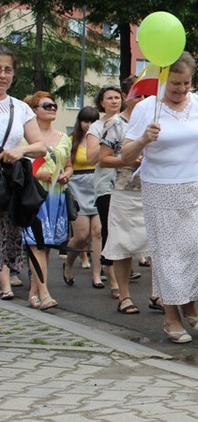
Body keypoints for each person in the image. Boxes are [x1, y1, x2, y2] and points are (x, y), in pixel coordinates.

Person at [122, 52, 198, 343]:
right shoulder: (146, 109)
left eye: (187, 83)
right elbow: (125, 155)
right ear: (163, 78)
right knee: (168, 255)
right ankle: (171, 317)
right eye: (176, 83)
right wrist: (143, 140)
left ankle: (189, 303)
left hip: (196, 185)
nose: (181, 89)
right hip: (160, 188)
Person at [0, 46, 46, 301]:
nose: (3, 75)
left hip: (8, 187)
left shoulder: (20, 108)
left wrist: (21, 150)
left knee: (8, 238)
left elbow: (41, 147)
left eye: (8, 69)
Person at [22, 92, 73, 310]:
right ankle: (44, 292)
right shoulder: (26, 138)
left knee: (47, 246)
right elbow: (19, 167)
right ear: (34, 110)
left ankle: (33, 293)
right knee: (36, 243)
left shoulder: (63, 137)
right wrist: (36, 175)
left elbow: (69, 164)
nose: (52, 108)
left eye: (54, 105)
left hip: (56, 196)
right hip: (34, 195)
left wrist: (67, 174)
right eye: (46, 105)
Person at [99, 90, 149, 314]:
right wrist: (127, 159)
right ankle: (125, 296)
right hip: (125, 190)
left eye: (146, 97)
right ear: (127, 98)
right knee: (123, 245)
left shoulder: (156, 122)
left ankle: (158, 295)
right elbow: (103, 158)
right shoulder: (116, 124)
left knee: (158, 245)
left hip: (153, 189)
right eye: (138, 96)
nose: (142, 101)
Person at [87, 84, 126, 299]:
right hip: (106, 185)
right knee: (110, 232)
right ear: (101, 102)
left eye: (117, 97)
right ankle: (112, 280)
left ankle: (124, 276)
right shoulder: (96, 127)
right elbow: (93, 157)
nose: (114, 101)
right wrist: (107, 131)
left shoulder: (128, 122)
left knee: (126, 232)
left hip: (129, 185)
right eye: (109, 98)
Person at [64, 106, 104, 287]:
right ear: (79, 122)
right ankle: (69, 264)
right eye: (86, 121)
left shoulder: (102, 139)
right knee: (81, 235)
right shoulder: (71, 140)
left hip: (97, 184)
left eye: (93, 121)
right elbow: (67, 165)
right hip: (77, 185)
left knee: (97, 232)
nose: (89, 125)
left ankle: (97, 275)